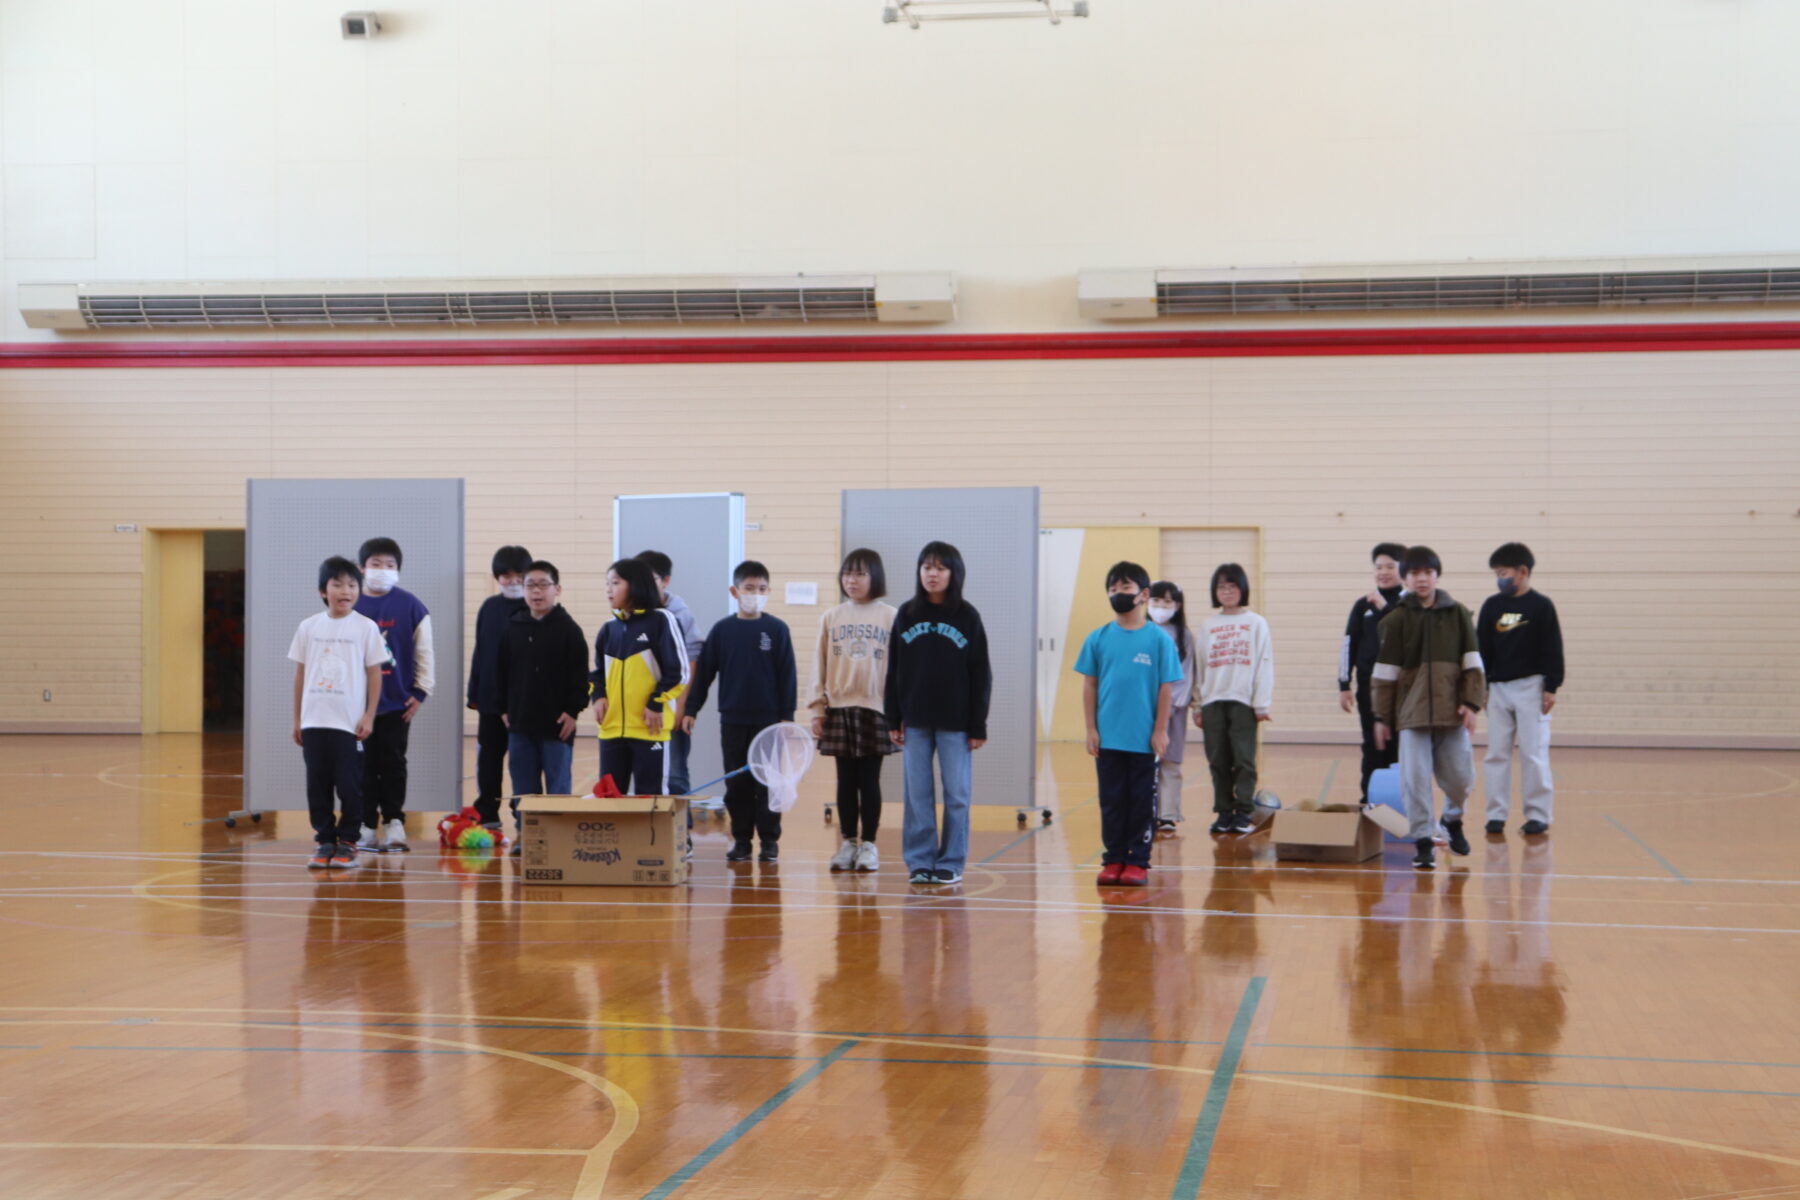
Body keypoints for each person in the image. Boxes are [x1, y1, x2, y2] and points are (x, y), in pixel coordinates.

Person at [1372, 545, 1486, 870]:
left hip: (1452, 714)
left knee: (1461, 778)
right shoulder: (1395, 621)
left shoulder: (1459, 615)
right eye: (1414, 573)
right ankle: (1423, 840)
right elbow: (1384, 675)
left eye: (1427, 573)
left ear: (1437, 575)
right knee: (1415, 779)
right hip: (1412, 715)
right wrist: (1382, 716)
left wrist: (1471, 703)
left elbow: (1473, 664)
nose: (1421, 579)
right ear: (1404, 578)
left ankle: (1452, 819)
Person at [885, 541, 992, 887]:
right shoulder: (907, 614)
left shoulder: (967, 616)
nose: (932, 574)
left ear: (954, 573)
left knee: (957, 796)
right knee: (918, 795)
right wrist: (893, 716)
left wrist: (978, 723)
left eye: (940, 568)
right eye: (927, 567)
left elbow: (981, 673)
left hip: (956, 723)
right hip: (914, 720)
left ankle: (951, 861)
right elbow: (895, 669)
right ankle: (920, 861)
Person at [1076, 562, 1184, 886]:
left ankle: (1137, 860)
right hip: (1109, 737)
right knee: (1111, 800)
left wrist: (1160, 730)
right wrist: (1091, 728)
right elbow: (1090, 685)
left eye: (1125, 588)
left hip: (1143, 740)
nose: (1118, 594)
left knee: (1141, 802)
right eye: (1112, 589)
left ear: (1143, 594)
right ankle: (1113, 859)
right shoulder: (1097, 638)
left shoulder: (1159, 641)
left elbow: (1167, 687)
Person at [683, 561, 797, 863]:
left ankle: (770, 842)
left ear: (768, 592)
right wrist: (691, 708)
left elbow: (788, 675)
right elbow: (704, 674)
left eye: (761, 589)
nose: (755, 594)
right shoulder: (722, 631)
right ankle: (743, 840)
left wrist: (787, 717)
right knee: (738, 785)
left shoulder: (777, 629)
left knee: (769, 783)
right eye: (749, 588)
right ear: (735, 591)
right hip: (733, 720)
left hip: (770, 723)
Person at [289, 556, 389, 870]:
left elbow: (375, 674)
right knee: (317, 785)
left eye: (351, 584)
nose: (345, 590)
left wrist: (369, 715)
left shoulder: (366, 628)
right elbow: (301, 675)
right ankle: (325, 841)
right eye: (337, 584)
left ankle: (348, 840)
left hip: (348, 724)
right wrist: (297, 719)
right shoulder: (308, 627)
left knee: (349, 785)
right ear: (323, 590)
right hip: (314, 721)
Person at [809, 548, 898, 872]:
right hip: (839, 708)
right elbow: (817, 665)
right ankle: (848, 842)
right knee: (845, 780)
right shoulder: (831, 617)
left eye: (860, 574)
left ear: (875, 576)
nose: (852, 580)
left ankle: (870, 845)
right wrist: (818, 709)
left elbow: (900, 669)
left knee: (870, 780)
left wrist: (897, 713)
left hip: (876, 708)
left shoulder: (890, 616)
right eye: (848, 573)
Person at [495, 560, 589, 851]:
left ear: (557, 589)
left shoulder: (570, 630)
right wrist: (504, 709)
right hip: (520, 723)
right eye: (530, 585)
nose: (536, 591)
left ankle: (559, 839)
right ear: (523, 591)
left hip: (557, 725)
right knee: (524, 787)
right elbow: (500, 673)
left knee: (558, 786)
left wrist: (573, 712)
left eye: (543, 584)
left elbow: (581, 676)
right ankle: (528, 836)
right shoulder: (512, 628)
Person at [353, 536, 434, 853]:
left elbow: (424, 652)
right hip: (357, 707)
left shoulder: (411, 605)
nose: (382, 570)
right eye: (376, 564)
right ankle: (366, 825)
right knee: (362, 766)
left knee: (393, 763)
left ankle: (395, 822)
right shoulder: (352, 603)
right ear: (362, 568)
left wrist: (421, 691)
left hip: (397, 704)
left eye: (390, 566)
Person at [1478, 542, 1564, 836]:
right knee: (1496, 754)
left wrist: (1551, 686)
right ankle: (1496, 814)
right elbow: (1482, 648)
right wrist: (1483, 685)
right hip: (1498, 689)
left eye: (1503, 572)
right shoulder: (1492, 606)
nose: (1499, 578)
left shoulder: (1541, 606)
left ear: (1523, 572)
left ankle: (1538, 814)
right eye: (1496, 573)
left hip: (1532, 687)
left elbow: (1553, 647)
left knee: (1533, 753)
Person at [590, 557, 687, 796]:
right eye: (607, 584)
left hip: (649, 730)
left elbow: (678, 672)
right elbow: (597, 673)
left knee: (650, 799)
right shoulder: (608, 629)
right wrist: (599, 696)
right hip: (611, 731)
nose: (608, 589)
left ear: (634, 585)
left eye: (615, 583)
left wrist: (655, 703)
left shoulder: (661, 620)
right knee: (609, 799)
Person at [1192, 563, 1275, 835]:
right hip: (1213, 700)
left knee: (1243, 759)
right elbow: (1199, 666)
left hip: (1243, 701)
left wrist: (1261, 703)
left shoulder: (1256, 623)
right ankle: (1224, 811)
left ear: (1242, 589)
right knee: (1217, 760)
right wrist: (1198, 704)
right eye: (1221, 587)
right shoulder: (1207, 626)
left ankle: (1243, 811)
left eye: (1232, 586)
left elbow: (1264, 663)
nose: (1227, 591)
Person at [466, 544, 531, 829]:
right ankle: (488, 810)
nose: (513, 580)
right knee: (489, 758)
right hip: (490, 701)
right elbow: (480, 652)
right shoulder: (489, 608)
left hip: (522, 703)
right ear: (497, 577)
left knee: (521, 761)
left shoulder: (534, 608)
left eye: (519, 574)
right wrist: (475, 694)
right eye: (506, 575)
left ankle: (522, 811)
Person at [1339, 542, 1407, 804]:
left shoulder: (1409, 604)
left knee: (1401, 745)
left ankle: (1400, 801)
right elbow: (1348, 644)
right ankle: (1369, 800)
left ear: (1403, 569)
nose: (1383, 572)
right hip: (1369, 688)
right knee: (1372, 744)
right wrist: (1344, 684)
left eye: (1390, 566)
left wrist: (1384, 609)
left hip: (1403, 689)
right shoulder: (1362, 606)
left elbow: (1403, 634)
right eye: (1379, 567)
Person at [636, 550, 706, 798]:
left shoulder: (680, 613)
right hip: (639, 709)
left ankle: (678, 834)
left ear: (665, 581)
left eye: (650, 578)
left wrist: (681, 705)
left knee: (675, 773)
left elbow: (692, 658)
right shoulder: (629, 613)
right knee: (644, 772)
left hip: (670, 704)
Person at [1147, 580, 1197, 832]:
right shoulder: (1142, 631)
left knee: (1170, 762)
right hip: (1144, 709)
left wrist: (1175, 705)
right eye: (1156, 601)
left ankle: (1168, 813)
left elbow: (1186, 674)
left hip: (1175, 710)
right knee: (1145, 762)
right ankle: (1146, 811)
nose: (1160, 606)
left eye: (1167, 602)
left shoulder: (1184, 636)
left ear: (1177, 605)